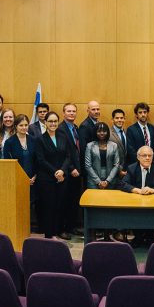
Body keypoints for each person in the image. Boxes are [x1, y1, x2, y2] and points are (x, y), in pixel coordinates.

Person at [33, 111, 76, 239]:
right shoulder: (40, 139)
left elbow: (68, 156)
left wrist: (62, 170)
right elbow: (41, 160)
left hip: (63, 177)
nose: (53, 124)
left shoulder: (63, 136)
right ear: (45, 123)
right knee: (49, 206)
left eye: (55, 121)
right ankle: (49, 234)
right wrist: (55, 172)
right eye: (50, 121)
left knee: (61, 204)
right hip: (46, 179)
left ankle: (59, 230)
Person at [59, 102, 84, 239]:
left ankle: (72, 226)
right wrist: (71, 168)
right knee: (65, 201)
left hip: (77, 171)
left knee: (74, 200)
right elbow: (64, 152)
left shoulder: (75, 127)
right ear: (63, 113)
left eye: (74, 111)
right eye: (69, 111)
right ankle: (63, 229)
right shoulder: (61, 129)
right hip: (67, 171)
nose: (72, 113)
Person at [85, 122, 121, 189]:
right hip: (93, 181)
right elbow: (88, 165)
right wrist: (98, 181)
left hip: (111, 180)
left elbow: (116, 165)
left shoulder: (114, 145)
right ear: (95, 132)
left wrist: (108, 181)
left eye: (104, 131)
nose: (102, 133)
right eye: (99, 131)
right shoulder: (89, 145)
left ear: (107, 132)